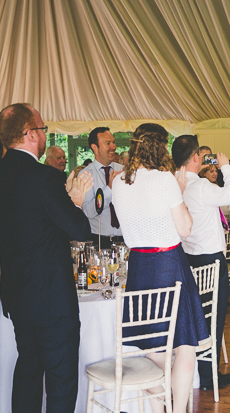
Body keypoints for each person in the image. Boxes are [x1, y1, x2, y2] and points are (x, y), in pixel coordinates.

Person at [0, 103, 93, 413]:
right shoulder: (44, 178)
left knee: (27, 369)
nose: (44, 135)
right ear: (29, 134)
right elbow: (79, 229)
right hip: (51, 299)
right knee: (61, 380)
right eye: (43, 130)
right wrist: (76, 202)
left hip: (16, 295)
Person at [112, 123, 207, 413]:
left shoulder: (117, 181)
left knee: (152, 347)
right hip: (169, 264)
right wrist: (178, 193)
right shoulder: (166, 180)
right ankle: (176, 410)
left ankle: (159, 405)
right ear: (162, 147)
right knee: (185, 345)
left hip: (139, 266)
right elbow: (185, 228)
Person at [171, 135, 230, 392]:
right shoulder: (199, 186)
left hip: (187, 258)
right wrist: (225, 167)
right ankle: (209, 376)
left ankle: (198, 371)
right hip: (210, 261)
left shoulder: (175, 185)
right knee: (214, 317)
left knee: (195, 315)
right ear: (196, 158)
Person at [80, 127, 124, 249]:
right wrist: (110, 189)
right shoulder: (86, 175)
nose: (113, 147)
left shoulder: (123, 171)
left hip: (125, 240)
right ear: (95, 147)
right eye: (108, 143)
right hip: (99, 241)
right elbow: (88, 211)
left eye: (114, 142)